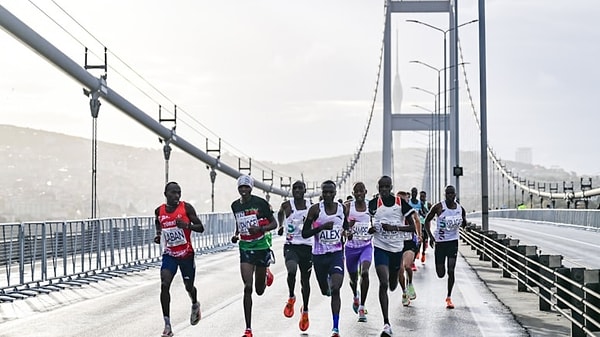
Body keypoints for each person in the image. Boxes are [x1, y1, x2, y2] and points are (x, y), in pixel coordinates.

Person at [154, 181, 205, 337]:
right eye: (173, 192)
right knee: (164, 284)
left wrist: (187, 225)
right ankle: (167, 325)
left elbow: (201, 228)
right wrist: (158, 234)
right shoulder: (159, 210)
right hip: (169, 254)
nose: (176, 195)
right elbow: (158, 222)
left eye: (179, 192)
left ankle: (195, 303)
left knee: (189, 286)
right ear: (165, 194)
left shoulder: (186, 208)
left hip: (186, 254)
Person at [230, 175, 278, 337]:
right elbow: (239, 223)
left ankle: (264, 273)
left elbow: (274, 224)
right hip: (245, 247)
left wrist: (260, 229)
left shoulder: (260, 203)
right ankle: (248, 329)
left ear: (251, 188)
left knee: (259, 290)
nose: (243, 190)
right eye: (241, 187)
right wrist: (236, 235)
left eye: (246, 187)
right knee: (247, 288)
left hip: (261, 246)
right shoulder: (235, 205)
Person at [369, 176, 416, 337]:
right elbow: (368, 222)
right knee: (383, 283)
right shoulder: (373, 204)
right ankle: (386, 323)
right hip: (380, 247)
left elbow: (412, 228)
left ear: (391, 187)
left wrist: (394, 227)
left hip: (396, 249)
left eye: (386, 187)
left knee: (393, 285)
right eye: (381, 187)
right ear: (377, 187)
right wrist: (371, 229)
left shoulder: (400, 203)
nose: (383, 190)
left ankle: (396, 281)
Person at [302, 180, 348, 337]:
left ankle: (335, 328)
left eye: (331, 192)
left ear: (335, 193)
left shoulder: (342, 209)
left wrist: (348, 233)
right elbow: (304, 233)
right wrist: (320, 227)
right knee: (325, 291)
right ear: (322, 193)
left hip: (336, 254)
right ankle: (324, 288)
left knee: (336, 289)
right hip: (319, 257)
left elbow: (346, 226)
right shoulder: (315, 210)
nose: (328, 195)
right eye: (325, 192)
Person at [423, 185, 467, 309]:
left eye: (452, 193)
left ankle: (449, 297)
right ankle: (447, 293)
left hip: (453, 242)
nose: (450, 196)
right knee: (440, 273)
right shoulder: (438, 207)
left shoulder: (460, 209)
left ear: (455, 195)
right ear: (445, 194)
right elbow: (426, 221)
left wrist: (463, 223)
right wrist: (431, 237)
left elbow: (464, 222)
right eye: (448, 194)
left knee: (451, 270)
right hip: (440, 243)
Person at [277, 180, 312, 332]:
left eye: (300, 188)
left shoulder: (311, 206)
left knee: (305, 281)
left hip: (307, 247)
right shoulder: (286, 205)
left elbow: (318, 220)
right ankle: (291, 297)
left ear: (305, 190)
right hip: (291, 246)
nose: (297, 190)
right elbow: (279, 213)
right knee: (291, 270)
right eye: (295, 188)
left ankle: (305, 311)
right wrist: (280, 225)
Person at [344, 182, 373, 322]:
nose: (359, 194)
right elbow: (342, 225)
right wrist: (347, 230)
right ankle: (355, 295)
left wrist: (374, 228)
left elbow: (376, 221)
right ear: (353, 193)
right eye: (356, 192)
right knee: (353, 279)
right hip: (351, 248)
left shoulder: (371, 207)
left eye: (361, 191)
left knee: (365, 273)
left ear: (365, 191)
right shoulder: (348, 207)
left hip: (366, 246)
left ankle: (362, 307)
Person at [395, 190, 420, 304]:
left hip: (409, 242)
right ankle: (404, 292)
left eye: (403, 200)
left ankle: (410, 283)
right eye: (398, 199)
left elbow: (417, 221)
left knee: (407, 266)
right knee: (399, 270)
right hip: (396, 242)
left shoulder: (411, 210)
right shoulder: (392, 211)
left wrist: (419, 235)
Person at [418, 190, 433, 263]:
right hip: (420, 223)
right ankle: (418, 251)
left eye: (423, 196)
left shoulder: (428, 204)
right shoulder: (418, 204)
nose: (422, 198)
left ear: (425, 197)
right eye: (421, 196)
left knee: (425, 239)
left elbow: (431, 214)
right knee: (420, 238)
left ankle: (423, 253)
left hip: (426, 223)